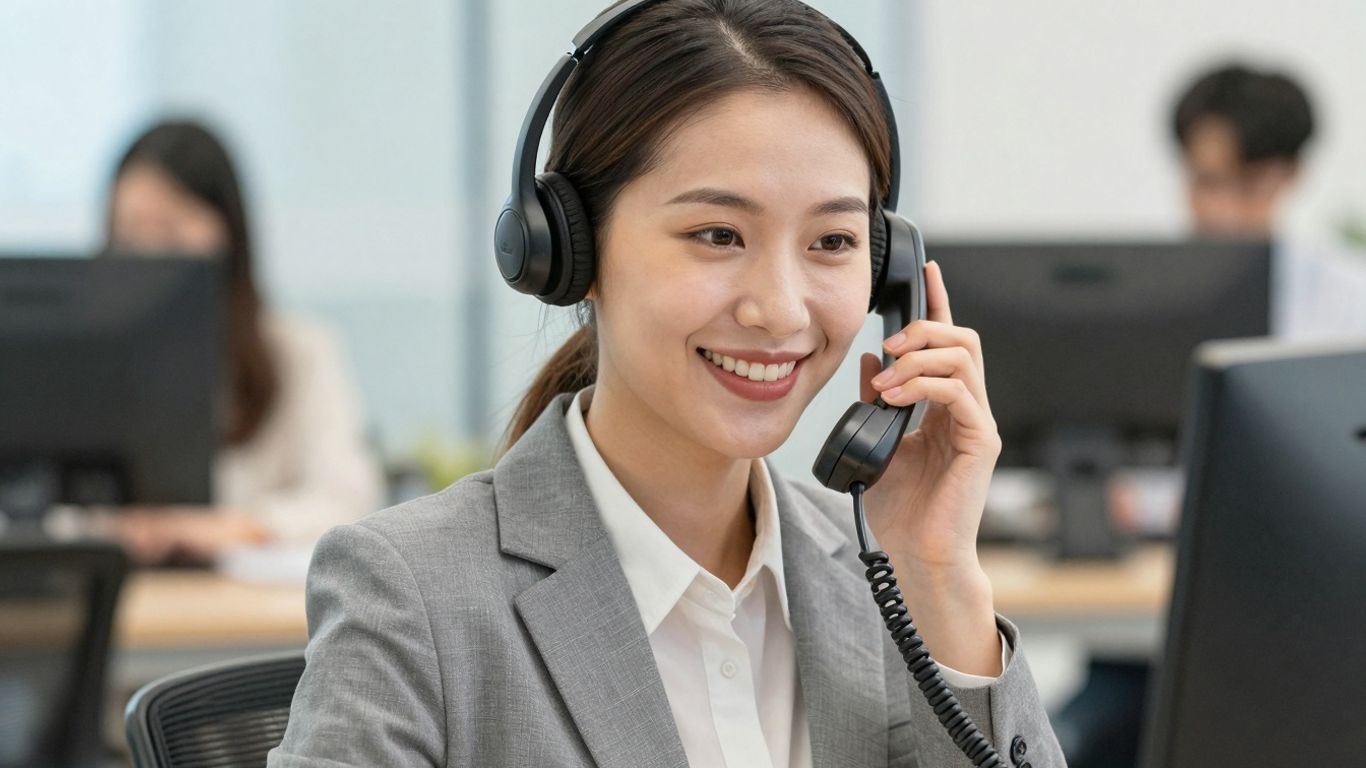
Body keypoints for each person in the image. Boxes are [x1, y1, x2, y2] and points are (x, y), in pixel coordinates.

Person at [269, 1, 1064, 765]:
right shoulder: (413, 595)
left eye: (831, 240)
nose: (780, 309)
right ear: (570, 253)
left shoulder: (885, 576)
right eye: (717, 235)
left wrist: (936, 576)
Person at [104, 119, 382, 564]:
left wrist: (229, 528)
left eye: (170, 229)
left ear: (228, 231)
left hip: (248, 616)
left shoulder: (299, 351)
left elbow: (348, 501)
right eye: (130, 233)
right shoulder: (93, 363)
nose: (149, 254)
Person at [1172, 62, 1366, 340]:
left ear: (1291, 174)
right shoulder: (1142, 298)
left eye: (1249, 187)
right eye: (1209, 183)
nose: (1224, 214)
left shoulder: (1352, 303)